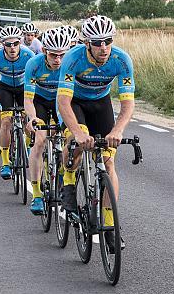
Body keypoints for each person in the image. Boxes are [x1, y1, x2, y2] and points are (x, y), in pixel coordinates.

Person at [57, 15, 135, 251]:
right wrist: (78, 134)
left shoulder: (121, 60)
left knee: (109, 161)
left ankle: (110, 227)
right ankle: (68, 182)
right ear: (87, 43)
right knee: (76, 140)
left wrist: (117, 131)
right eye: (97, 42)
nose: (103, 47)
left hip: (101, 105)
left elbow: (127, 103)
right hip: (75, 104)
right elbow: (63, 101)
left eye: (107, 41)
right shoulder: (72, 59)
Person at [24, 27, 72, 214]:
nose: (58, 60)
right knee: (40, 141)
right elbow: (28, 98)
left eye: (62, 55)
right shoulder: (33, 65)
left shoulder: (70, 65)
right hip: (40, 102)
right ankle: (36, 194)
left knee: (68, 137)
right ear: (44, 51)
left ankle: (62, 177)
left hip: (62, 102)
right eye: (53, 55)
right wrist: (32, 118)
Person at [0, 26, 34, 180]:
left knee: (27, 116)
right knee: (6, 122)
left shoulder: (29, 55)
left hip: (24, 88)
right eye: (8, 45)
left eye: (15, 43)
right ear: (3, 45)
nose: (12, 47)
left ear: (20, 42)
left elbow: (34, 82)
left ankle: (26, 146)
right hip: (5, 87)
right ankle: (6, 163)